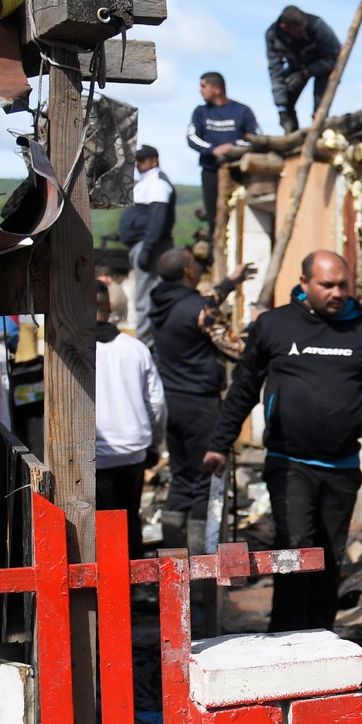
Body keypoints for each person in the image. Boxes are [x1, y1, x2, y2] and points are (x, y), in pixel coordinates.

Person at [204, 250, 362, 631]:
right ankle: (285, 641)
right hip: (289, 462)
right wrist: (219, 443)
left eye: (343, 285)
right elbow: (243, 389)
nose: (337, 292)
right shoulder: (275, 327)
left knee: (329, 559)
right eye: (327, 285)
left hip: (342, 468)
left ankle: (320, 642)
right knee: (296, 550)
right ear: (304, 284)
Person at [147, 247, 254, 553]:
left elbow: (203, 303)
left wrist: (230, 282)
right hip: (201, 405)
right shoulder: (200, 309)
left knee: (181, 479)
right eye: (194, 264)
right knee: (204, 482)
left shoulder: (159, 301)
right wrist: (259, 325)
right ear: (188, 272)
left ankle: (171, 563)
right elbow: (235, 348)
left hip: (171, 403)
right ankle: (200, 568)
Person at [93, 282, 166, 561]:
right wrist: (154, 444)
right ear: (110, 308)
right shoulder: (136, 349)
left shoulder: (74, 351)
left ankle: (105, 593)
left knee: (99, 525)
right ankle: (134, 588)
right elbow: (157, 402)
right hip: (134, 451)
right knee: (129, 519)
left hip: (95, 457)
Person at [186, 72, 259, 244]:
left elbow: (256, 137)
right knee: (214, 218)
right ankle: (215, 254)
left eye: (203, 86)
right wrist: (213, 150)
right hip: (210, 171)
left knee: (242, 213)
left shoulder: (242, 111)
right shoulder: (201, 112)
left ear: (217, 89)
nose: (200, 90)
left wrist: (233, 148)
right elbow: (192, 137)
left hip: (239, 172)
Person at [119, 145, 175, 330]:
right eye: (137, 160)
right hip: (145, 245)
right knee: (145, 297)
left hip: (152, 247)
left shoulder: (158, 183)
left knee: (146, 298)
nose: (138, 164)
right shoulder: (146, 182)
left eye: (142, 160)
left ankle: (148, 345)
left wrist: (148, 248)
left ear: (154, 161)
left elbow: (157, 218)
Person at [266, 6, 342, 133]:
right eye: (299, 33)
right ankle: (291, 134)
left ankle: (319, 131)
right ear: (285, 27)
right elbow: (275, 71)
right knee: (287, 97)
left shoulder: (318, 26)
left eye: (304, 29)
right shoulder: (273, 36)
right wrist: (282, 108)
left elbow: (337, 57)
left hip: (323, 66)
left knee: (320, 107)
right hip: (296, 66)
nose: (304, 34)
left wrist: (307, 73)